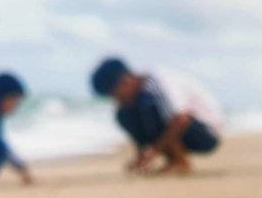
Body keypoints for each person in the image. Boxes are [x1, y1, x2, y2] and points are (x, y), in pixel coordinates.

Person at [90, 57, 223, 175]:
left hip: (206, 132)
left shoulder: (157, 82)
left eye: (116, 95)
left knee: (150, 107)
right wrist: (141, 157)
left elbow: (181, 119)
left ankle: (179, 161)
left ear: (125, 82)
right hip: (182, 125)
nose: (117, 101)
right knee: (124, 114)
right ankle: (170, 160)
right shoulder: (140, 95)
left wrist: (153, 153)